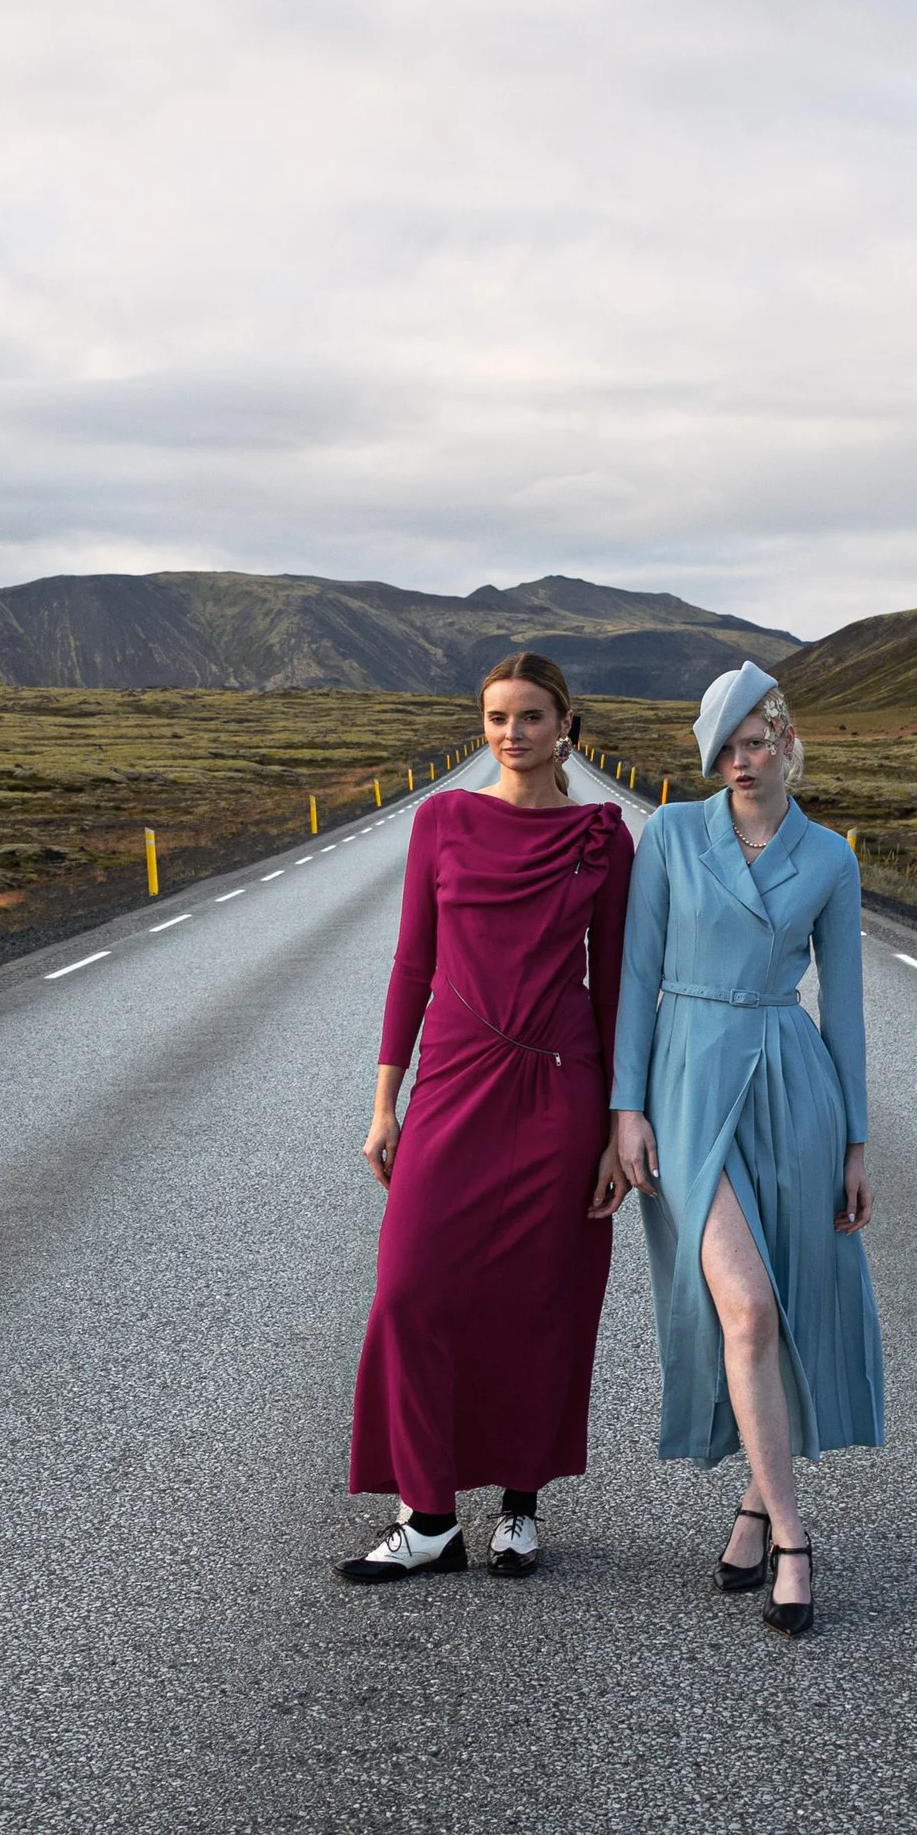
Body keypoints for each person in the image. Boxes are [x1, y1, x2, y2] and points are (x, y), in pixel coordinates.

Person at [341, 651, 635, 1583]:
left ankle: (520, 1502)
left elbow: (618, 988)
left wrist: (619, 1126)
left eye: (532, 717)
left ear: (566, 726)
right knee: (410, 1287)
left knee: (539, 1299)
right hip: (454, 1083)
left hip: (560, 1090)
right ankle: (428, 1514)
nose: (512, 733)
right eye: (498, 717)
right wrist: (386, 1102)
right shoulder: (442, 819)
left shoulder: (603, 837)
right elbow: (411, 968)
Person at [611, 662, 881, 1637]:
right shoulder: (671, 835)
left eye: (755, 740)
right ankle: (796, 1543)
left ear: (785, 741)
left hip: (790, 1086)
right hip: (685, 1084)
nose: (739, 760)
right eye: (723, 746)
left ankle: (753, 1506)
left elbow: (842, 1007)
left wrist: (854, 1136)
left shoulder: (829, 857)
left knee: (785, 1306)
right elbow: (636, 973)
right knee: (747, 1302)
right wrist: (623, 1108)